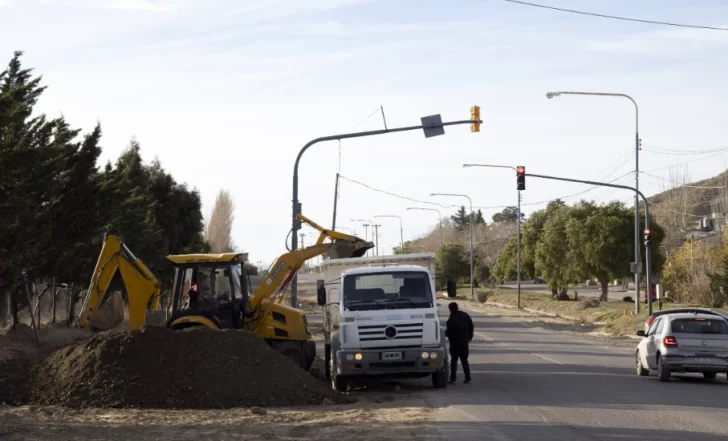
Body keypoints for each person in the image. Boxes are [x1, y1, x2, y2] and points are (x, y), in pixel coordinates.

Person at [446, 302, 473, 384]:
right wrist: (469, 337)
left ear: (450, 309)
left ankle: (453, 378)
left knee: (454, 360)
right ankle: (468, 377)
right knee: (464, 360)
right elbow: (471, 326)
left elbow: (449, 332)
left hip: (455, 343)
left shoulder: (451, 319)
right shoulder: (465, 315)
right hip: (464, 341)